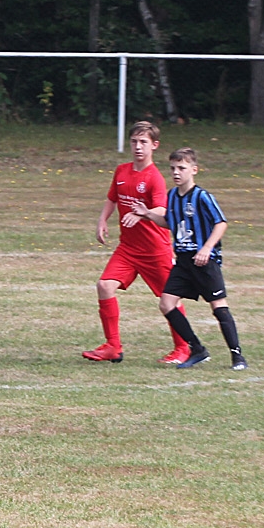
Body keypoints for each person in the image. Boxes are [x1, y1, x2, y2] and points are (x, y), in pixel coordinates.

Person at [82, 121, 193, 365]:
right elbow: (112, 198)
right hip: (128, 248)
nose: (138, 146)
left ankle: (183, 348)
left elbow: (162, 209)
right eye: (134, 141)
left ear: (154, 145)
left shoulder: (155, 178)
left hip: (155, 250)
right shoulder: (121, 171)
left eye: (143, 142)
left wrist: (142, 214)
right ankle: (113, 347)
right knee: (104, 286)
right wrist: (102, 220)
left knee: (170, 299)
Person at [130, 147, 247, 371]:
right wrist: (148, 214)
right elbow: (170, 223)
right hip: (183, 262)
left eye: (181, 168)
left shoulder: (202, 197)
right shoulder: (173, 196)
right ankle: (197, 349)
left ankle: (237, 355)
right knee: (166, 303)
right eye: (173, 168)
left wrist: (207, 248)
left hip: (204, 262)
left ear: (194, 170)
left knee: (218, 306)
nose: (176, 172)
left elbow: (221, 223)